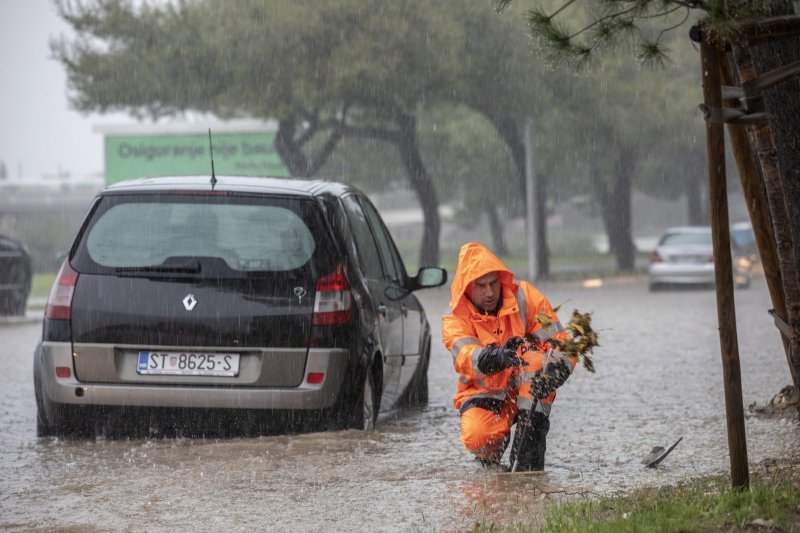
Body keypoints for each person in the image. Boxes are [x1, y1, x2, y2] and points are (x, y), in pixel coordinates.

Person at [442, 242, 574, 471]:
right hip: (484, 393)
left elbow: (560, 340)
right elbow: (467, 357)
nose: (490, 292)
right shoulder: (455, 319)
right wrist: (499, 356)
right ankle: (493, 459)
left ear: (501, 279)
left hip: (527, 389)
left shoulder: (525, 298)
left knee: (536, 363)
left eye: (493, 283)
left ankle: (529, 460)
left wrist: (558, 367)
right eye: (481, 286)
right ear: (467, 288)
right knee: (478, 438)